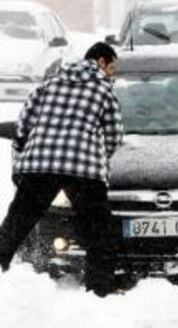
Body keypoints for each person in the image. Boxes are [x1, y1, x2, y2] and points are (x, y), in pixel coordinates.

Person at [0, 42, 123, 297]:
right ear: (101, 62)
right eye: (112, 67)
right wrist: (101, 156)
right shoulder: (103, 90)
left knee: (17, 221)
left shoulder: (49, 84)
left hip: (40, 165)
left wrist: (25, 146)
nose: (112, 73)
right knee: (99, 230)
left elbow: (24, 122)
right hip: (83, 170)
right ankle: (100, 289)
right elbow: (114, 134)